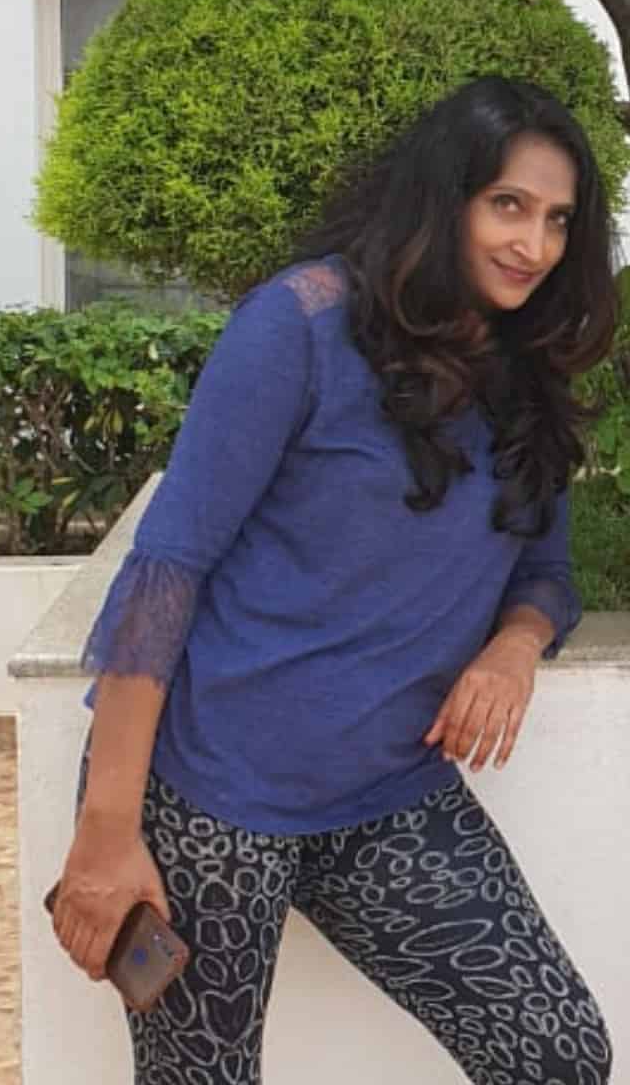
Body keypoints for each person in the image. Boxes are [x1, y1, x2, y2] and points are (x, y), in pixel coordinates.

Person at [51, 75, 617, 1085]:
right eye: (508, 204)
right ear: (446, 197)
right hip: (211, 788)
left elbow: (544, 571)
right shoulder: (301, 323)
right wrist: (106, 830)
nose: (533, 244)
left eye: (558, 219)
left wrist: (515, 644)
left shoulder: (526, 367)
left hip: (389, 794)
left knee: (556, 1053)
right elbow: (168, 568)